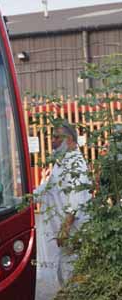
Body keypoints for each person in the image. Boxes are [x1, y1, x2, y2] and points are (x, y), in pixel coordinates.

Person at [33, 121, 91, 285]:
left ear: (70, 139)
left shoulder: (76, 164)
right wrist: (26, 199)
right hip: (63, 237)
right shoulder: (62, 163)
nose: (53, 141)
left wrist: (65, 229)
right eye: (53, 137)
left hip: (72, 235)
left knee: (75, 280)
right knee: (65, 279)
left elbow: (77, 198)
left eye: (57, 137)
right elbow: (47, 189)